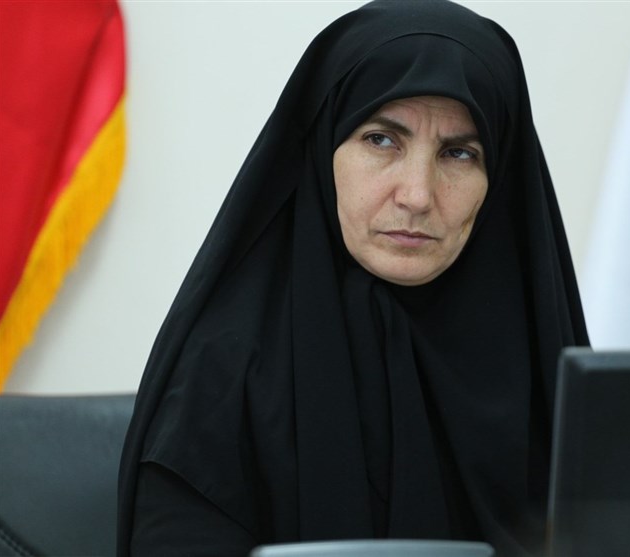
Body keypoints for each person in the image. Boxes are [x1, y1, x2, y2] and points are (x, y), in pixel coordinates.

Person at [117, 1, 589, 556]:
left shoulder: (541, 365)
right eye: (381, 140)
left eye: (459, 153)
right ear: (322, 150)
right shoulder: (223, 380)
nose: (417, 195)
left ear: (499, 178)